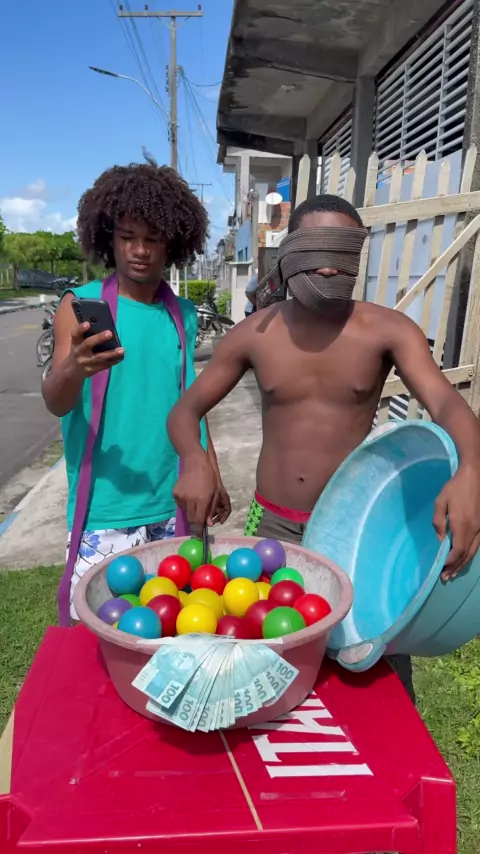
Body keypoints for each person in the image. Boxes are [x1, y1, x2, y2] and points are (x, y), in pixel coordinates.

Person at [167, 193, 480, 701]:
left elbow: (446, 402)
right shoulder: (254, 334)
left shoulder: (387, 331)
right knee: (265, 663)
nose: (330, 267)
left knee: (372, 670)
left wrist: (471, 470)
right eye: (317, 251)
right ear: (290, 253)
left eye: (343, 253)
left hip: (360, 535)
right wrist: (193, 459)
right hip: (272, 526)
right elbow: (185, 410)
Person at [42, 161, 230, 618]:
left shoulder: (183, 315)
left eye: (153, 238)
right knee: (101, 629)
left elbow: (192, 402)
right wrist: (74, 369)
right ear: (109, 237)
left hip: (175, 500)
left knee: (176, 626)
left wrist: (211, 468)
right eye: (128, 237)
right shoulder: (79, 305)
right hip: (106, 507)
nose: (140, 250)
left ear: (173, 243)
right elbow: (56, 402)